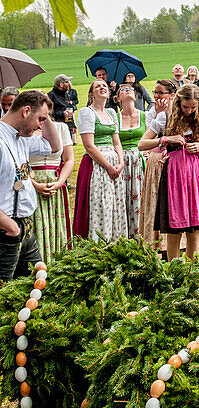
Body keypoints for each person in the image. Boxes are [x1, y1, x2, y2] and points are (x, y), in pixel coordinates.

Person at [0, 91, 61, 280]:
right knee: (4, 294)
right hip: (5, 231)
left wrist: (44, 107)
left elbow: (54, 146)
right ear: (26, 111)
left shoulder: (23, 138)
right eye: (40, 119)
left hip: (25, 226)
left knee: (37, 284)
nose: (41, 125)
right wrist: (10, 227)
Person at [155, 84, 199, 261]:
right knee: (175, 231)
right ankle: (175, 270)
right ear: (178, 102)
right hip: (174, 177)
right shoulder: (166, 118)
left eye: (193, 107)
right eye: (185, 107)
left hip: (195, 175)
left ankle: (192, 269)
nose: (189, 111)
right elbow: (143, 143)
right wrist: (166, 139)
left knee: (194, 229)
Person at [73, 80, 127, 242]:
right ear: (91, 94)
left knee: (114, 204)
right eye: (97, 86)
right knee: (100, 203)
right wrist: (109, 166)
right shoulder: (87, 112)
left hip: (114, 161)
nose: (102, 87)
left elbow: (117, 142)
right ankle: (98, 244)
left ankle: (115, 242)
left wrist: (121, 162)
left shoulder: (111, 113)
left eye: (104, 86)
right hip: (97, 163)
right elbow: (89, 146)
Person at [137, 79, 177, 248]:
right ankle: (154, 240)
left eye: (161, 92)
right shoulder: (154, 113)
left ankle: (172, 241)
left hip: (172, 160)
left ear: (172, 95)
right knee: (154, 199)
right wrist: (156, 114)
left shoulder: (176, 112)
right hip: (156, 158)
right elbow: (146, 138)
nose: (156, 96)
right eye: (155, 92)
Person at [29, 113, 73, 263]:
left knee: (57, 227)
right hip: (32, 184)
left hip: (55, 183)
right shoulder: (25, 131)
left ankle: (57, 264)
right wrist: (35, 185)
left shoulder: (61, 127)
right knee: (36, 226)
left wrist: (60, 182)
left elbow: (69, 160)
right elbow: (19, 162)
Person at [116, 82, 148, 237]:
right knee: (123, 197)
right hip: (121, 160)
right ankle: (124, 234)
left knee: (139, 196)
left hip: (139, 160)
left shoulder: (144, 116)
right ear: (118, 98)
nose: (127, 90)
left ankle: (140, 233)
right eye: (123, 89)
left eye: (130, 89)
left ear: (135, 96)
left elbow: (152, 137)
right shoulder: (114, 118)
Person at [48, 75, 75, 140]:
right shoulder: (51, 96)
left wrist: (72, 126)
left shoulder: (66, 94)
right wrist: (62, 113)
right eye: (67, 82)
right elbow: (49, 113)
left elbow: (69, 109)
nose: (69, 84)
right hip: (58, 127)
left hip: (68, 126)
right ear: (61, 84)